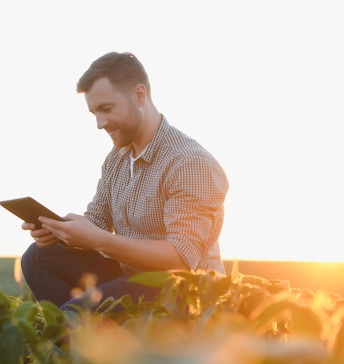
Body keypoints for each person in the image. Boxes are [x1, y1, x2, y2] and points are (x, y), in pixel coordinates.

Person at [19, 52, 229, 312]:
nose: (99, 124)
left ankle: (80, 333)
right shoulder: (117, 159)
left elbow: (181, 259)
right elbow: (96, 221)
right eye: (94, 113)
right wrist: (60, 231)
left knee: (74, 312)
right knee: (38, 257)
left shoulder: (189, 162)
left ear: (139, 95)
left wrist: (99, 240)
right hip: (128, 277)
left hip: (183, 292)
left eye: (106, 109)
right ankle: (87, 342)